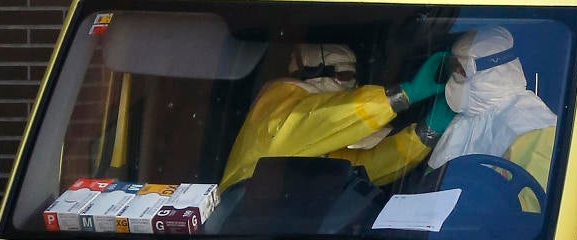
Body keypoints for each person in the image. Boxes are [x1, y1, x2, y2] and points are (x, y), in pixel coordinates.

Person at [219, 43, 455, 192]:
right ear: (312, 74)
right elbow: (322, 117)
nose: (352, 84)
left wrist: (427, 132)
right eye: (344, 74)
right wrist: (403, 95)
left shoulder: (320, 139)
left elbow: (367, 167)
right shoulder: (276, 105)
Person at [428, 26, 557, 211]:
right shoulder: (466, 118)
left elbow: (530, 212)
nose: (452, 74)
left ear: (485, 71)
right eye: (451, 65)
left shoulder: (536, 126)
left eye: (459, 67)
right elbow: (430, 186)